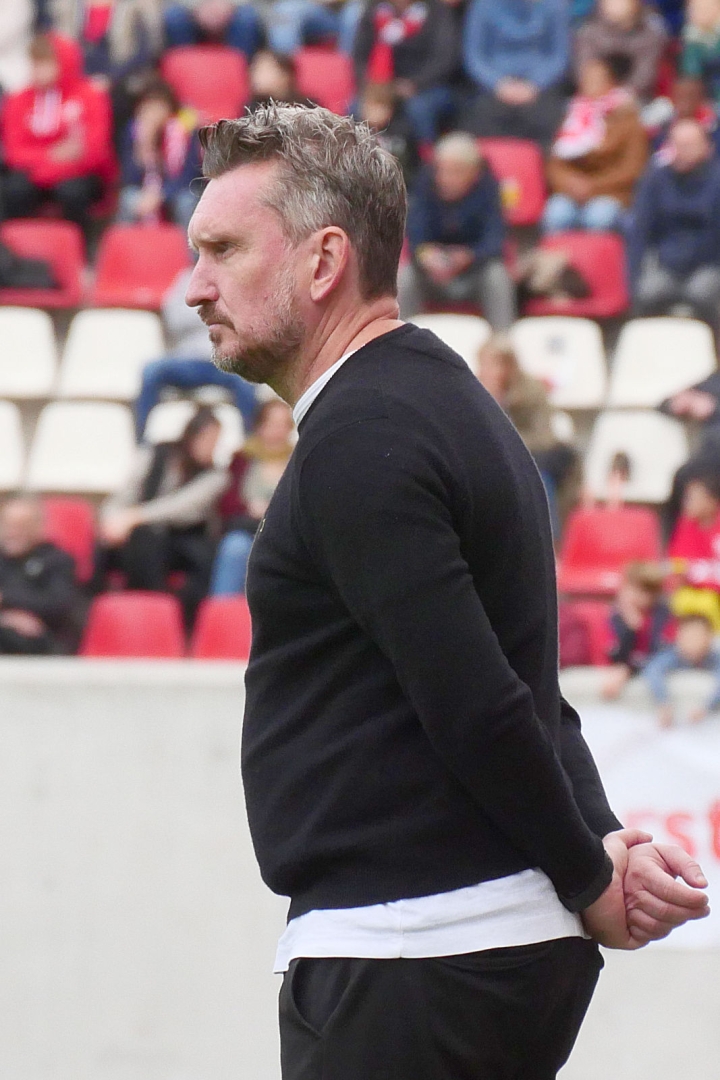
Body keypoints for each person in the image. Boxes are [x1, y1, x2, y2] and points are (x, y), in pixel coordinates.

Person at [185, 104, 709, 1080]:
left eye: (222, 250)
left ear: (324, 260)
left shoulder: (362, 442)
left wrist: (591, 875)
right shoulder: (446, 404)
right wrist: (595, 842)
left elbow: (476, 698)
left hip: (413, 957)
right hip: (457, 954)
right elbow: (521, 685)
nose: (195, 286)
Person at [96, 406, 227, 629]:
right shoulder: (155, 455)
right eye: (207, 438)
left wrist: (134, 517)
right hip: (139, 535)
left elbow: (181, 507)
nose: (211, 446)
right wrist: (111, 520)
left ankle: (162, 620)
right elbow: (125, 493)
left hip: (182, 540)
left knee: (151, 543)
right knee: (122, 543)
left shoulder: (216, 476)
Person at [398, 133, 516, 329]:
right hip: (432, 273)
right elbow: (416, 236)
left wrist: (468, 256)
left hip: (474, 272)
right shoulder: (425, 185)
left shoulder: (489, 189)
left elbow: (495, 242)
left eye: (455, 172)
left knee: (497, 276)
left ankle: (502, 339)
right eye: (441, 170)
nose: (445, 179)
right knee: (405, 276)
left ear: (474, 172)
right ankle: (400, 337)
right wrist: (427, 256)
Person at [0, 32, 115, 227]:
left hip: (78, 173)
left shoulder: (91, 97)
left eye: (44, 63)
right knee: (14, 189)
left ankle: (81, 242)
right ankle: (16, 242)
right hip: (34, 172)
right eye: (34, 63)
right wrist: (50, 157)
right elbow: (13, 151)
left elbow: (94, 150)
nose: (37, 70)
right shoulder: (18, 100)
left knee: (72, 192)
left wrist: (53, 165)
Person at [135, 265, 258, 439]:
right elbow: (172, 318)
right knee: (151, 371)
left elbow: (239, 317)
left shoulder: (232, 276)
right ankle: (142, 440)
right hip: (187, 361)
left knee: (247, 381)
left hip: (224, 362)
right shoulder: (186, 279)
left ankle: (249, 440)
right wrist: (211, 312)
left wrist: (200, 310)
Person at [476, 333, 576, 537]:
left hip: (537, 453)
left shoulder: (531, 390)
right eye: (484, 365)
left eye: (494, 365)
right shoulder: (474, 390)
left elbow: (545, 436)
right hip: (495, 458)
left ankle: (547, 535)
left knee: (538, 471)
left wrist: (507, 438)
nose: (487, 372)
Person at [628, 119, 720, 329]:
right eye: (677, 145)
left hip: (709, 266)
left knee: (702, 294)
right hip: (667, 267)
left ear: (707, 148)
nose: (682, 151)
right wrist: (634, 280)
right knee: (647, 292)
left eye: (689, 145)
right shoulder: (655, 179)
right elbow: (640, 232)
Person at [544, 53, 648, 234]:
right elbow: (555, 163)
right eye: (586, 79)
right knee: (556, 214)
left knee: (598, 217)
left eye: (596, 79)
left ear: (611, 83)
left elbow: (632, 169)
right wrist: (569, 183)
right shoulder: (572, 116)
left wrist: (593, 186)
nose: (589, 84)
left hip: (611, 192)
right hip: (571, 191)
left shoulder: (629, 119)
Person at [211, 399, 294, 595]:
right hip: (248, 529)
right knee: (235, 548)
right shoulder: (242, 458)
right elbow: (226, 504)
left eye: (283, 424)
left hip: (285, 533)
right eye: (273, 424)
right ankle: (222, 608)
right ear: (260, 425)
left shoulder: (298, 458)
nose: (278, 430)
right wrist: (250, 507)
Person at [461, 0, 569, 149]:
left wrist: (535, 84)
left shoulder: (555, 5)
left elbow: (558, 56)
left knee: (550, 120)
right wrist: (498, 84)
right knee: (479, 118)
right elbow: (475, 57)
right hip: (494, 86)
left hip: (539, 88)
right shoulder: (483, 5)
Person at [352, 0, 459, 145]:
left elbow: (444, 59)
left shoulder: (437, 12)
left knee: (418, 108)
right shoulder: (373, 9)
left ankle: (425, 151)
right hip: (379, 84)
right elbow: (359, 56)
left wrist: (414, 84)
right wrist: (373, 86)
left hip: (425, 86)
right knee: (354, 107)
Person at [117, 77, 201, 231]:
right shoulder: (132, 131)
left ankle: (189, 246)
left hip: (176, 189)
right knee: (128, 199)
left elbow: (189, 176)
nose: (153, 113)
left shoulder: (185, 130)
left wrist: (161, 194)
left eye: (159, 106)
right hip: (144, 189)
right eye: (148, 106)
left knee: (186, 202)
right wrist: (143, 146)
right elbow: (129, 178)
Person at [0, 496, 79, 655]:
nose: (13, 532)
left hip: (42, 642)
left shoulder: (57, 560)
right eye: (7, 525)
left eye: (22, 526)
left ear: (39, 527)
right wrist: (6, 619)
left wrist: (6, 598)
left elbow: (58, 604)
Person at [659, 370, 720, 537]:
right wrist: (679, 403)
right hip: (710, 457)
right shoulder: (713, 381)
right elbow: (662, 405)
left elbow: (711, 406)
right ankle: (673, 544)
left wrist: (713, 407)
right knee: (682, 476)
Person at [573, 0, 667, 105]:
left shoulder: (651, 32)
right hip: (594, 97)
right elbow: (585, 72)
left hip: (638, 99)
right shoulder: (589, 32)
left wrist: (621, 96)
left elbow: (645, 75)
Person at [601, 561, 672, 700]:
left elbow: (658, 657)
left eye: (648, 592)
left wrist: (627, 670)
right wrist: (630, 628)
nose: (642, 597)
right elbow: (613, 656)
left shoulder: (662, 617)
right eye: (635, 589)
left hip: (648, 676)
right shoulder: (613, 618)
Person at [643, 613, 720, 727]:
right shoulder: (671, 656)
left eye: (697, 637)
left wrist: (706, 707)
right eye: (688, 637)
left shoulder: (715, 658)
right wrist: (664, 703)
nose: (693, 642)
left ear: (709, 638)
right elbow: (653, 670)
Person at [667, 471, 720, 632]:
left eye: (693, 498)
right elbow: (677, 565)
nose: (686, 504)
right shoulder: (686, 526)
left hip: (714, 596)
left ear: (712, 501)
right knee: (678, 602)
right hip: (693, 593)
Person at [357, 80, 420, 189]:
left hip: (400, 185)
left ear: (390, 109)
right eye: (369, 106)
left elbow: (411, 162)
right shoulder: (356, 130)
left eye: (379, 107)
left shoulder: (402, 131)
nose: (373, 112)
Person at [162, 0, 263, 59]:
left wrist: (229, 6)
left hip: (233, 11)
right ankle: (185, 70)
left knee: (247, 18)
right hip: (192, 11)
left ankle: (239, 70)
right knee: (174, 17)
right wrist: (195, 7)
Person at [681, 0, 720, 108]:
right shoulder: (692, 41)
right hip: (706, 103)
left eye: (704, 8)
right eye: (693, 9)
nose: (696, 13)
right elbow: (691, 76)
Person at [247, 49, 313, 110]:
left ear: (285, 74)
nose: (257, 76)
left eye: (265, 70)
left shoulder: (308, 107)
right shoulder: (252, 109)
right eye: (255, 69)